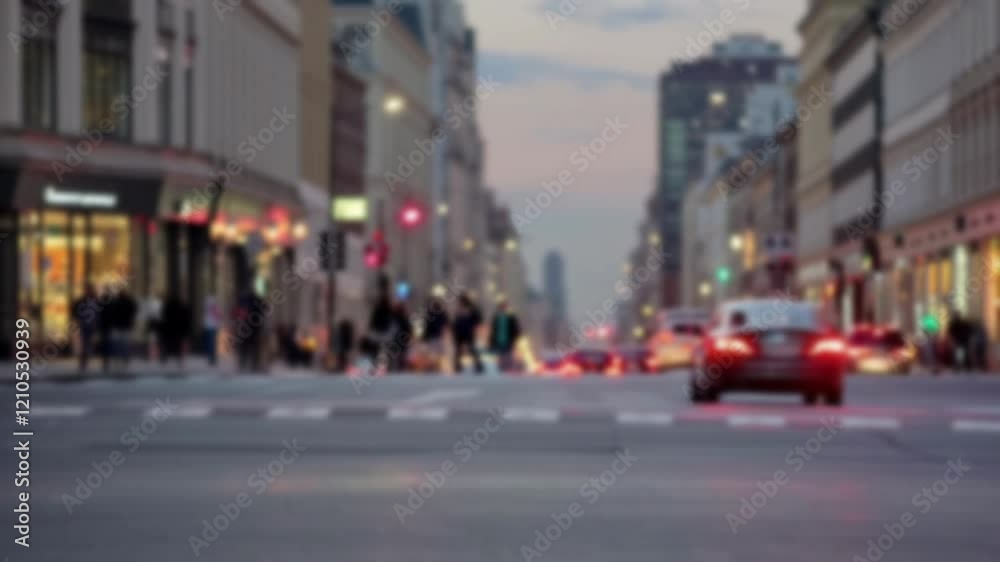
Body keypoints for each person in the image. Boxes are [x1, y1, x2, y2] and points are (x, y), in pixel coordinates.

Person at [367, 275, 395, 369]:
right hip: (382, 326)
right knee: (382, 348)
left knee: (379, 348)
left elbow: (378, 314)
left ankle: (378, 364)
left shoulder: (383, 301)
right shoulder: (384, 301)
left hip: (381, 326)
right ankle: (381, 364)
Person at [452, 293, 483, 374]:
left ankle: (478, 366)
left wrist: (472, 325)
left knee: (472, 349)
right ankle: (458, 366)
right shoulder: (459, 309)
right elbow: (455, 322)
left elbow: (478, 319)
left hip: (468, 332)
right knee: (459, 350)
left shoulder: (471, 309)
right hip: (460, 333)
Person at [72, 284, 100, 372]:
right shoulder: (82, 301)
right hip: (83, 325)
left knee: (88, 344)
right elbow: (75, 310)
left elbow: (99, 313)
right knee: (84, 344)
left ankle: (85, 360)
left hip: (92, 325)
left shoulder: (95, 301)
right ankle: (83, 362)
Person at [489, 299, 522, 372]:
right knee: (501, 356)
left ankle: (508, 369)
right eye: (501, 307)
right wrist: (491, 341)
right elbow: (493, 330)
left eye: (503, 307)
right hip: (499, 340)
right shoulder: (496, 318)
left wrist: (515, 337)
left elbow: (516, 329)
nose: (502, 309)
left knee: (508, 355)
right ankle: (502, 369)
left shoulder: (510, 318)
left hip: (508, 340)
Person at [160, 292, 191, 367]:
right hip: (178, 330)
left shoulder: (168, 307)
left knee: (168, 344)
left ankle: (165, 358)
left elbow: (164, 317)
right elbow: (186, 320)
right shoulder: (182, 307)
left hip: (170, 329)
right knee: (177, 344)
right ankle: (178, 359)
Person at [112, 288, 138, 369]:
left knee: (121, 343)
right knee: (123, 343)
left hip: (122, 325)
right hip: (123, 325)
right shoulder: (126, 302)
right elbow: (133, 311)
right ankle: (123, 358)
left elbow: (133, 311)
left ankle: (122, 358)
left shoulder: (118, 302)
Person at [423, 297, 449, 372]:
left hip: (434, 336)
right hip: (436, 336)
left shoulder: (431, 313)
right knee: (436, 353)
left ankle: (435, 367)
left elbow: (427, 326)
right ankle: (436, 367)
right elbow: (446, 323)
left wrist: (425, 337)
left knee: (433, 353)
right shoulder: (441, 313)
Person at [98, 286, 116, 372]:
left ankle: (106, 360)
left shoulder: (104, 302)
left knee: (106, 343)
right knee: (107, 343)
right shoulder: (110, 302)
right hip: (106, 325)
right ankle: (106, 360)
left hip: (106, 325)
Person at [392, 301, 413, 372]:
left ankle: (399, 368)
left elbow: (408, 330)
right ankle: (400, 368)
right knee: (400, 356)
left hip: (399, 341)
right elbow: (409, 330)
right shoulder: (402, 318)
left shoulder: (396, 319)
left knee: (398, 356)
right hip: (401, 341)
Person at [202, 295, 222, 366]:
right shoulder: (213, 307)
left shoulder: (207, 307)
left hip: (208, 325)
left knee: (210, 343)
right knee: (212, 343)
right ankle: (212, 358)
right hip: (212, 326)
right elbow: (218, 315)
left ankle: (211, 357)